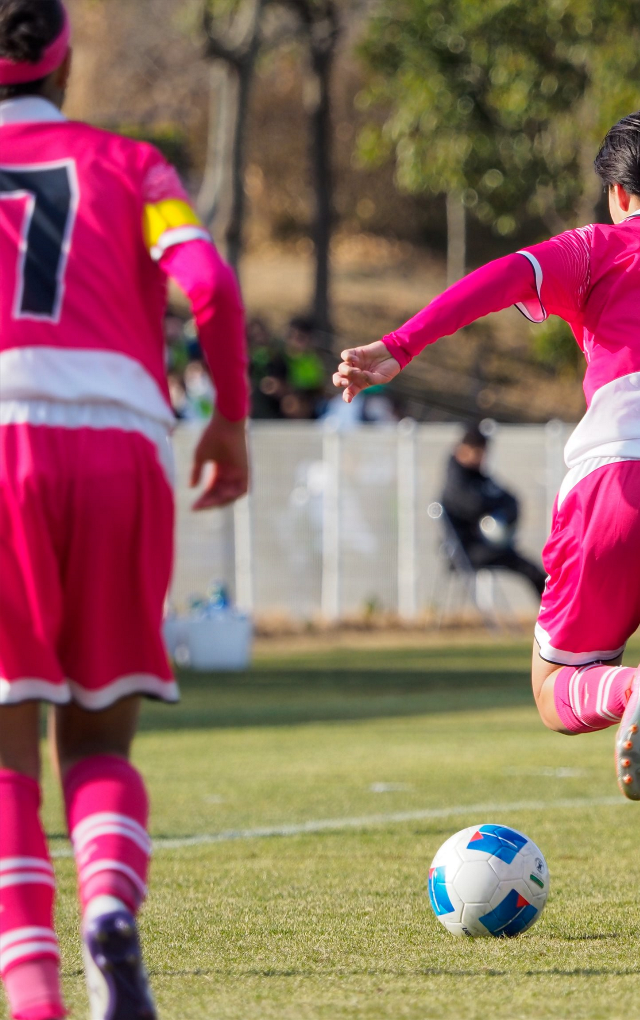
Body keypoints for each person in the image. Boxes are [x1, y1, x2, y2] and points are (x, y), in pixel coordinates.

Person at [335, 104, 640, 947]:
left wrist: (398, 346)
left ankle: (628, 690)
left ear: (619, 193)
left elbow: (502, 276)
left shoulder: (601, 247)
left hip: (622, 475)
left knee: (557, 694)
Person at [0, 2, 250, 1017]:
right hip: (119, 442)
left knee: (5, 744)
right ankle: (108, 909)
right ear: (63, 66)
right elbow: (210, 284)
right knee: (99, 741)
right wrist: (228, 420)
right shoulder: (133, 165)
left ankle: (32, 988)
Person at [439, 426, 547, 595]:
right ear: (465, 450)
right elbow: (473, 504)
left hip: (482, 546)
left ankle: (550, 607)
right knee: (530, 570)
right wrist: (495, 504)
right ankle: (552, 609)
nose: (482, 459)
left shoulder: (477, 476)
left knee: (533, 570)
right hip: (466, 548)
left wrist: (504, 509)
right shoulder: (456, 481)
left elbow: (509, 498)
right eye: (478, 453)